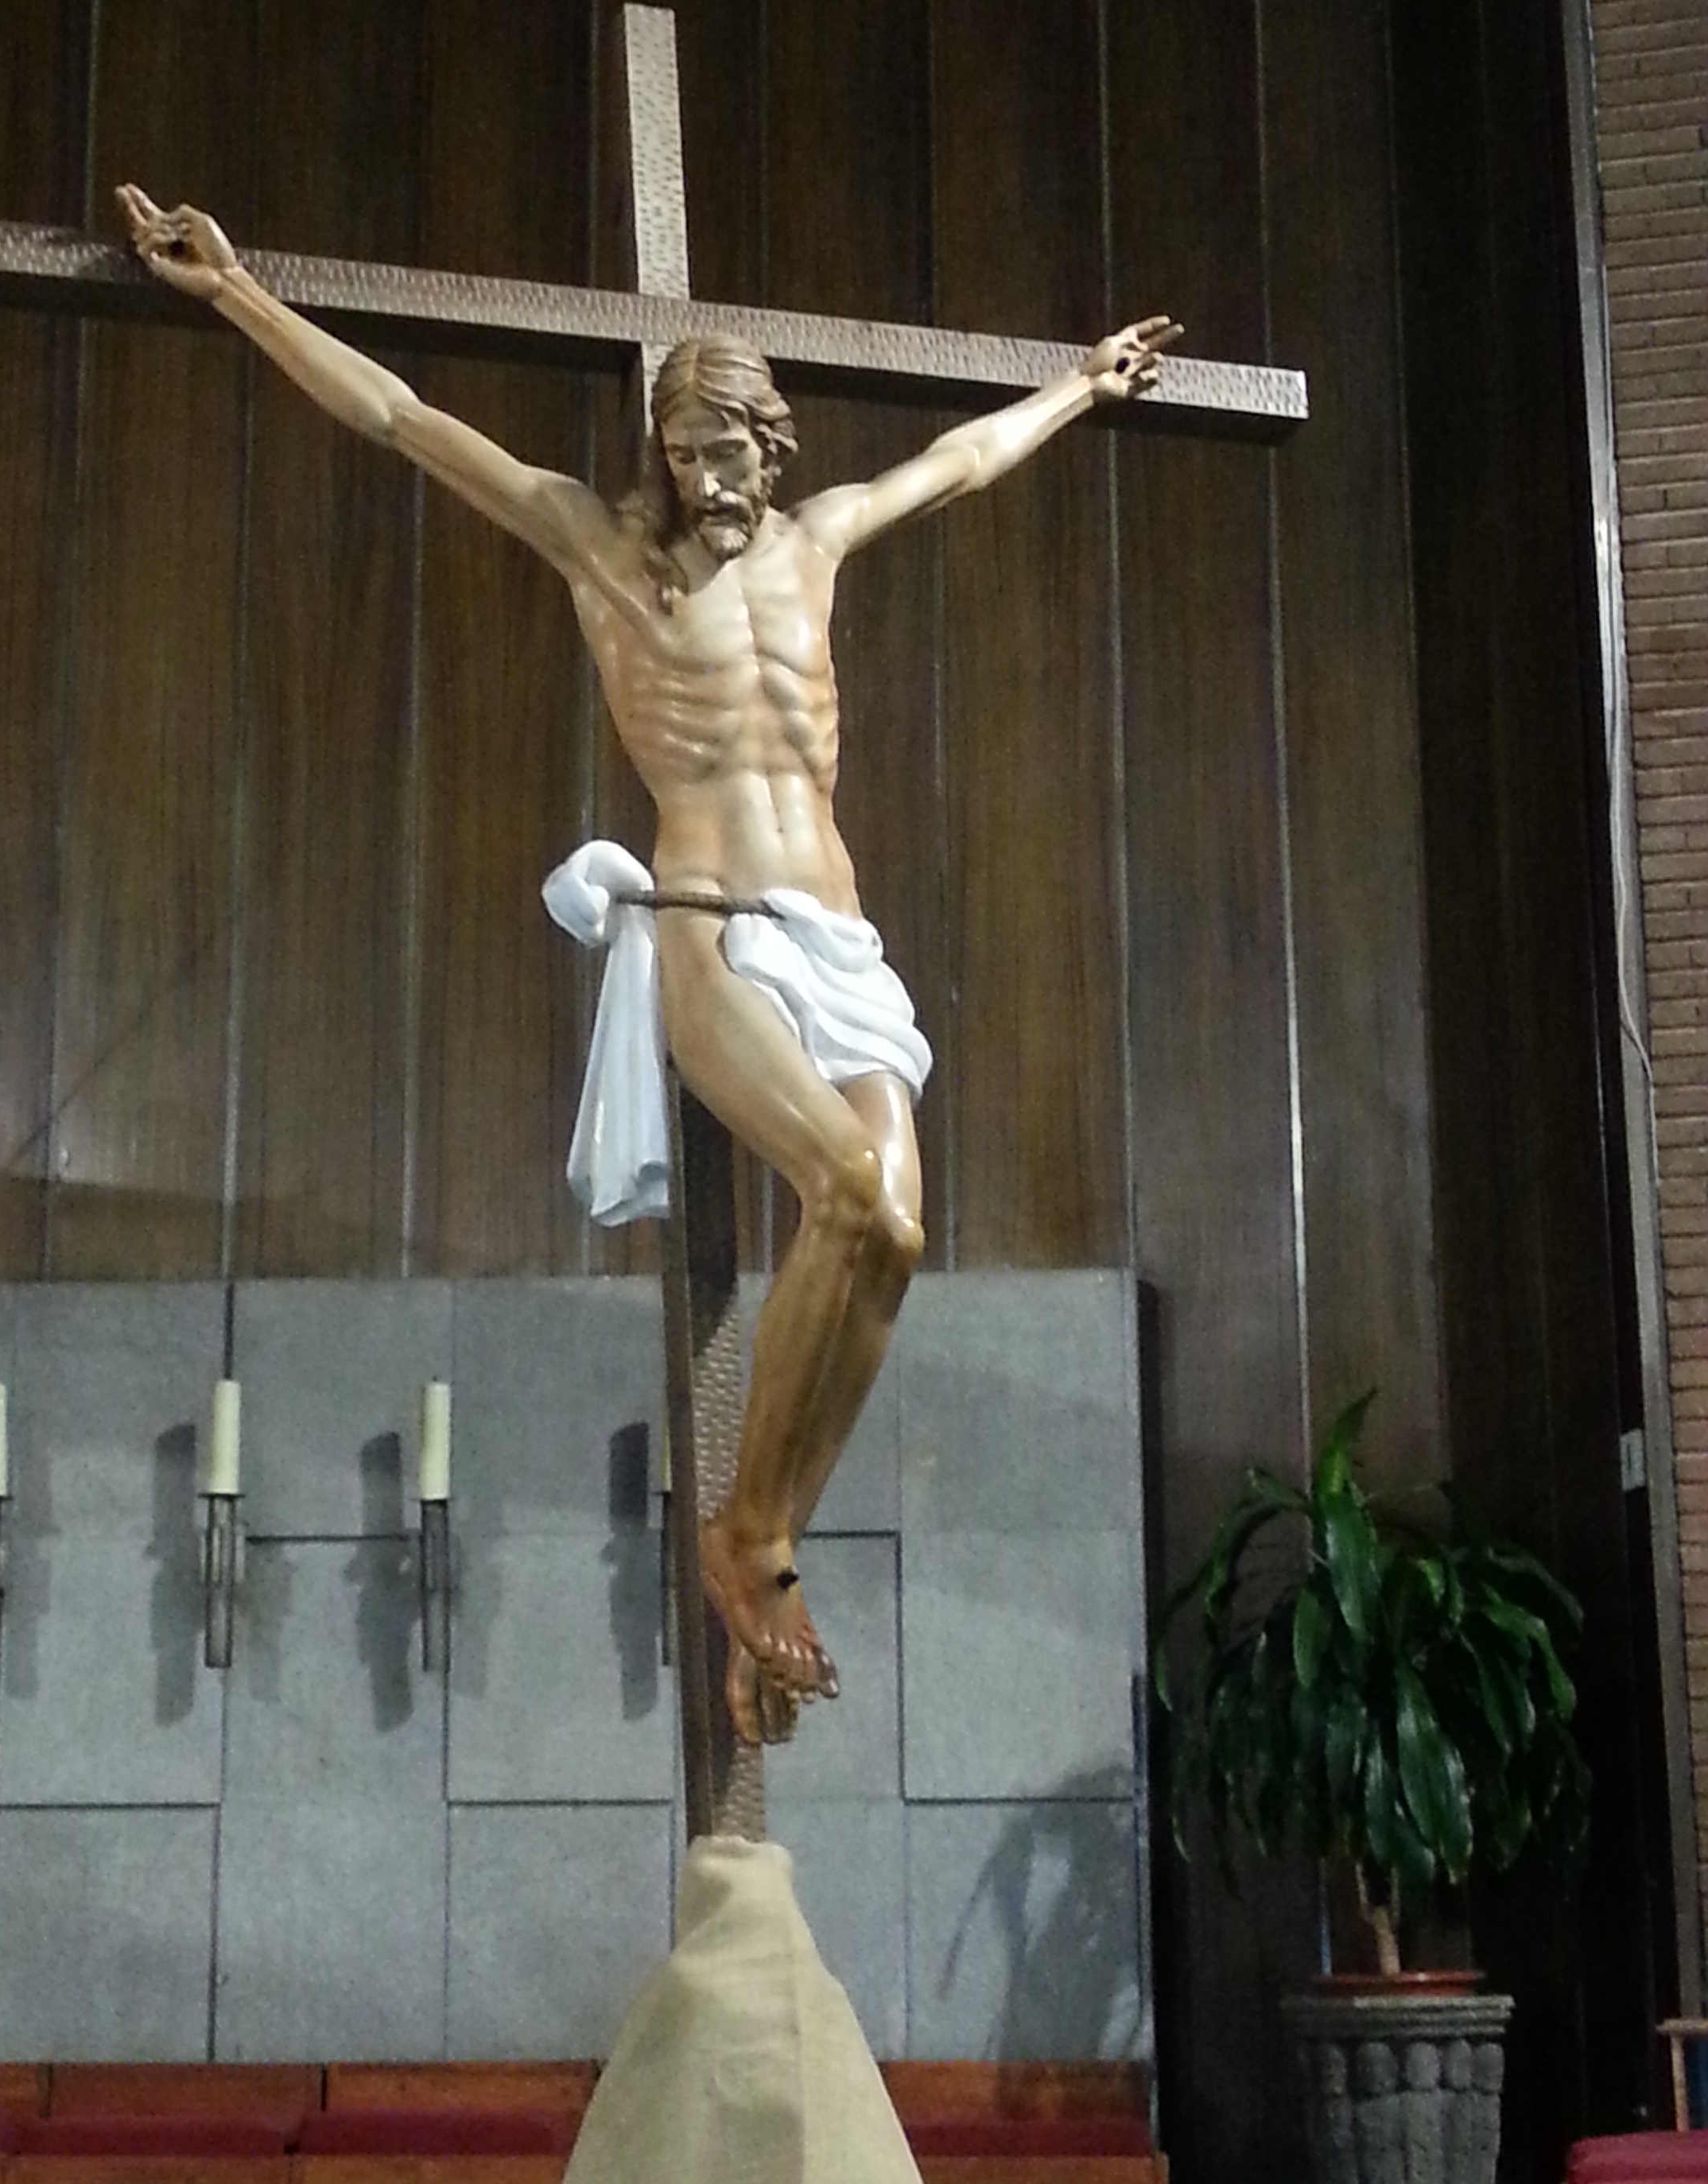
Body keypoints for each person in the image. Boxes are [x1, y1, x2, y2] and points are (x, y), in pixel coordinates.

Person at [117, 181, 1176, 1742]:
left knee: (901, 1231)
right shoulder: (598, 549)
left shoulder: (818, 540)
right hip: (709, 932)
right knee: (848, 1195)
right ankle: (739, 1541)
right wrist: (239, 295)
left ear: (775, 438)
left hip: (841, 940)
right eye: (684, 457)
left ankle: (768, 1535)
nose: (708, 480)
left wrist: (1079, 390)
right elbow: (405, 419)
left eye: (731, 452)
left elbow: (956, 466)